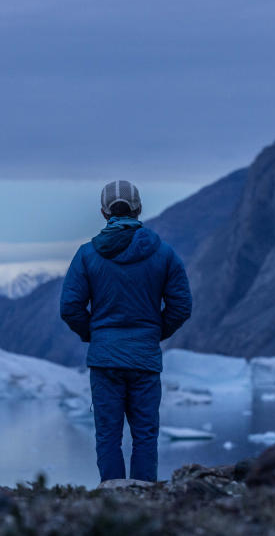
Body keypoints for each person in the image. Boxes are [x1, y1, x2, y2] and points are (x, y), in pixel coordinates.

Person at [59, 180, 192, 482]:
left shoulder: (86, 255)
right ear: (139, 208)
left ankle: (113, 503)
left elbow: (70, 307)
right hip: (144, 358)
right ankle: (144, 503)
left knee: (108, 436)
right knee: (145, 436)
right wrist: (153, 333)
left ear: (104, 212)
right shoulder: (165, 253)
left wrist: (95, 334)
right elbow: (181, 306)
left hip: (105, 360)